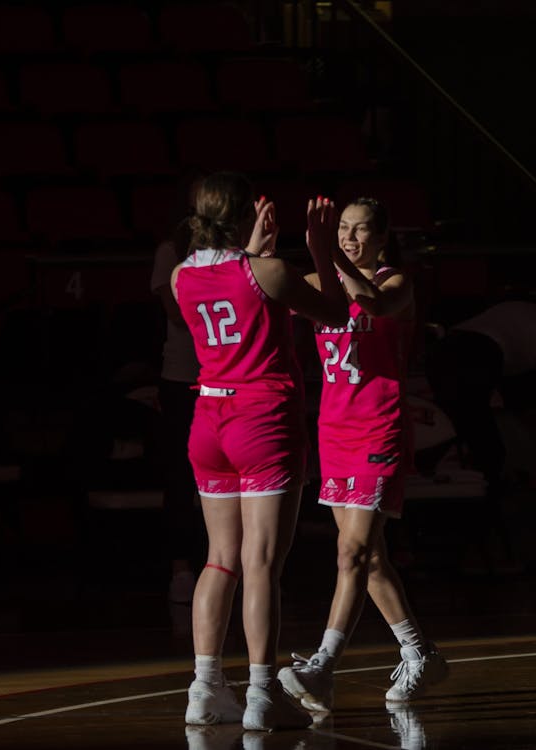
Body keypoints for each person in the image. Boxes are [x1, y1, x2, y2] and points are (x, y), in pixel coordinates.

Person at [173, 172, 350, 731]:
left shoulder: (180, 276)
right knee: (262, 564)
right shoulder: (270, 271)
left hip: (209, 421)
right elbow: (337, 313)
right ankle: (259, 694)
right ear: (246, 215)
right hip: (262, 419)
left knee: (219, 558)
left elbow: (229, 282)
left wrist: (250, 249)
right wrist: (320, 250)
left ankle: (203, 689)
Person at [278, 197, 449, 713]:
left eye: (359, 230)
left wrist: (334, 257)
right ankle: (421, 655)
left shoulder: (398, 283)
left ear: (381, 238)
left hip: (379, 429)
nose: (349, 237)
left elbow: (371, 301)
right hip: (334, 432)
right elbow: (265, 294)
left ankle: (324, 665)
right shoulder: (316, 283)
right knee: (369, 559)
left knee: (350, 554)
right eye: (342, 229)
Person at [425, 299, 536, 504]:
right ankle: (484, 512)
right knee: (488, 451)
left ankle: (439, 496)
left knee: (446, 431)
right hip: (475, 352)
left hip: (442, 349)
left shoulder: (528, 314)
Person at [150, 174, 205, 605]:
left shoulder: (238, 255)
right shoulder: (172, 252)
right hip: (183, 378)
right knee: (180, 476)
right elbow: (174, 313)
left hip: (227, 381)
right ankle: (180, 568)